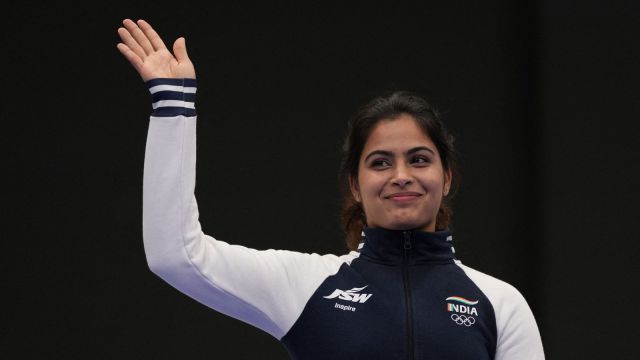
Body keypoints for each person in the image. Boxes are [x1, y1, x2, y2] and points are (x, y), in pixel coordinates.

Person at [117, 18, 545, 359]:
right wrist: (173, 105)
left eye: (419, 159)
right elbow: (176, 255)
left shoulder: (499, 303)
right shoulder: (307, 287)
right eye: (380, 162)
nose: (401, 175)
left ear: (446, 177)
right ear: (355, 186)